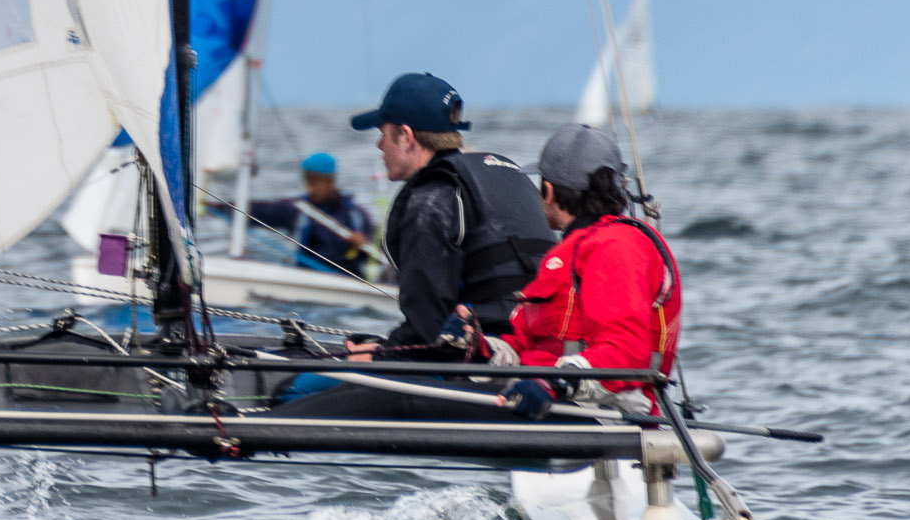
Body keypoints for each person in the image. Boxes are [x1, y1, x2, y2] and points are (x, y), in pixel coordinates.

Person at [347, 71, 554, 353]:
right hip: (544, 342)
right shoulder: (508, 173)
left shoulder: (430, 197)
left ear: (406, 137)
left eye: (383, 134)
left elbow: (425, 331)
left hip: (487, 352)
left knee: (318, 375)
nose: (379, 145)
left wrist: (377, 355)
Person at [486, 122, 682, 419]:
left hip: (603, 415)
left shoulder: (615, 246)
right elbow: (523, 345)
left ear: (548, 191)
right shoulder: (577, 249)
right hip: (549, 401)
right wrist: (477, 347)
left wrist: (555, 383)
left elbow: (625, 353)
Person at [244, 153, 375, 276]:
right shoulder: (297, 209)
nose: (310, 189)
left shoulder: (356, 215)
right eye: (307, 182)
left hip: (346, 280)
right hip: (307, 278)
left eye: (315, 183)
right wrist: (233, 207)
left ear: (330, 181)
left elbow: (378, 254)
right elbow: (259, 211)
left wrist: (362, 245)